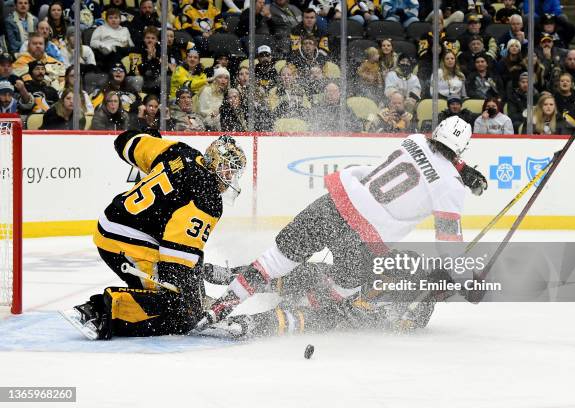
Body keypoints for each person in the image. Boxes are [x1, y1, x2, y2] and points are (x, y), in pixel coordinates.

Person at [193, 117, 487, 332]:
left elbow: (435, 154)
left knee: (275, 260)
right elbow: (449, 248)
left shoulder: (414, 140)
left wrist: (462, 168)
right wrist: (466, 281)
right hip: (365, 235)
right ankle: (285, 314)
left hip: (336, 202)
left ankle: (221, 306)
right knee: (340, 292)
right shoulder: (450, 186)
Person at [61, 132, 247, 340]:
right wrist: (192, 303)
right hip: (129, 242)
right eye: (228, 169)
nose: (230, 177)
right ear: (213, 161)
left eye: (234, 172)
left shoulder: (179, 151)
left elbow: (126, 142)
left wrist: (150, 135)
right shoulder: (208, 195)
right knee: (180, 313)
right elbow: (176, 256)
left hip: (114, 222)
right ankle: (101, 312)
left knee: (183, 294)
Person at [90, 8, 134, 72]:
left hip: (123, 52)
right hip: (109, 54)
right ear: (107, 19)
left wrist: (127, 44)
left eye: (116, 18)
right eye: (111, 18)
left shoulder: (125, 30)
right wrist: (103, 45)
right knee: (116, 55)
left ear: (120, 19)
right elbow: (93, 42)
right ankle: (120, 72)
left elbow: (131, 45)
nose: (113, 20)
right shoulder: (100, 29)